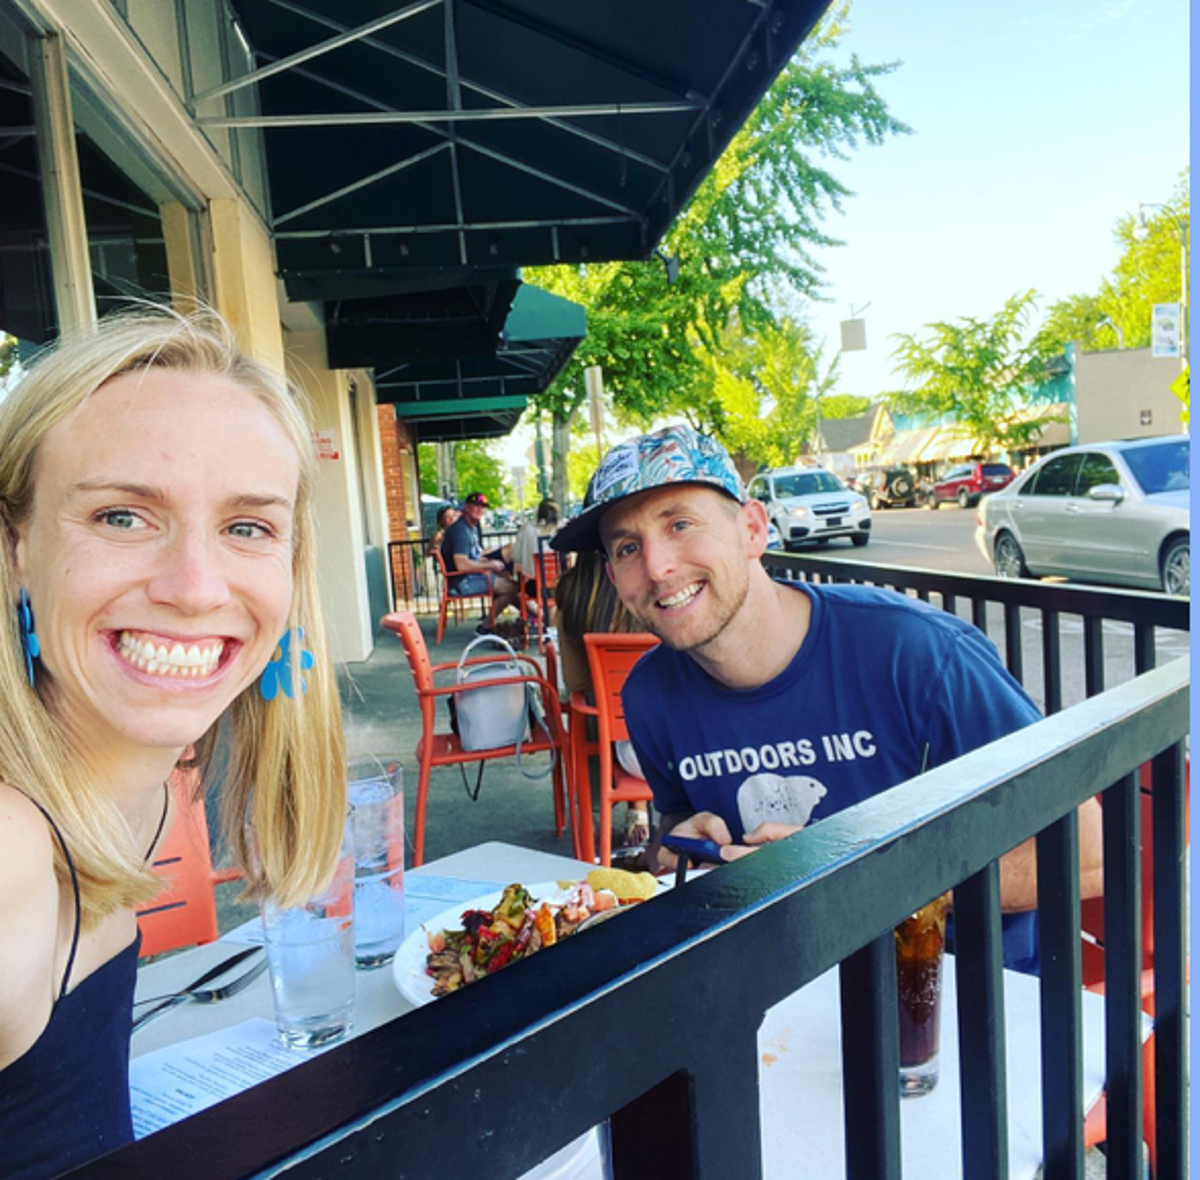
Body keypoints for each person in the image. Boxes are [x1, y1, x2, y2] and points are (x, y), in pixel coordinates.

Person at [0, 308, 348, 1179]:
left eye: (247, 527)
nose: (195, 588)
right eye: (121, 516)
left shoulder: (155, 784)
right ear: (17, 547)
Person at [551, 424, 1103, 973]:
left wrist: (852, 873)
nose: (657, 566)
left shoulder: (914, 654)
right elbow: (674, 825)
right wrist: (675, 850)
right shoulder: (650, 693)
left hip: (959, 1000)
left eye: (680, 524)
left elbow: (1089, 855)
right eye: (627, 547)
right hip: (777, 983)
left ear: (752, 529)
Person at [553, 551, 648, 847]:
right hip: (684, 750)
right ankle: (640, 811)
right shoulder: (654, 596)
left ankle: (597, 813)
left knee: (593, 709)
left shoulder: (573, 598)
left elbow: (575, 683)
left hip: (626, 752)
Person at [440, 490, 519, 621]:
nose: (480, 509)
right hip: (461, 582)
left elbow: (473, 556)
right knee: (512, 588)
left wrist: (487, 561)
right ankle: (486, 626)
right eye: (475, 505)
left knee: (508, 580)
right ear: (466, 507)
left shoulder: (470, 528)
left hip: (468, 577)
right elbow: (461, 564)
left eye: (483, 507)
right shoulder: (461, 531)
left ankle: (537, 618)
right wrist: (490, 565)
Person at [512, 499, 560, 607]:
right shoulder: (562, 529)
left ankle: (539, 618)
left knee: (519, 589)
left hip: (536, 586)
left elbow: (516, 556)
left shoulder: (527, 529)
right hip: (561, 586)